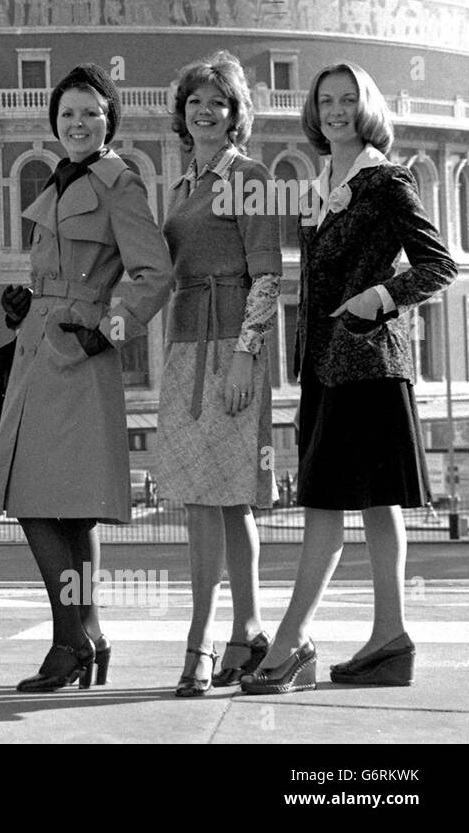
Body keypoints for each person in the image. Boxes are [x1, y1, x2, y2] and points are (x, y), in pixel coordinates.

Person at [242, 63, 455, 694]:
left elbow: (437, 264)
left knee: (326, 509)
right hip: (327, 369)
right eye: (326, 100)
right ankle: (389, 639)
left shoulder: (385, 180)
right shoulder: (322, 183)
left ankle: (289, 645)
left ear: (366, 108)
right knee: (377, 504)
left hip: (367, 364)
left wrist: (379, 300)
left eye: (347, 100)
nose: (335, 110)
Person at [0, 64, 172, 693]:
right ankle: (87, 634)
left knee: (39, 503)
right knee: (66, 512)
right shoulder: (60, 180)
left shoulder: (119, 182)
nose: (77, 123)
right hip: (40, 346)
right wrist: (24, 303)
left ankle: (70, 642)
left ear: (109, 120)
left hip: (79, 351)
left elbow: (153, 273)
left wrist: (112, 328)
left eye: (90, 113)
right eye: (67, 114)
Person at [154, 52, 280, 697]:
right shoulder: (181, 188)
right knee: (210, 499)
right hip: (183, 345)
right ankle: (248, 632)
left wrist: (245, 354)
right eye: (196, 101)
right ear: (183, 112)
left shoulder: (249, 176)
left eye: (219, 103)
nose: (206, 111)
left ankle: (202, 639)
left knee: (225, 496)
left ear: (236, 115)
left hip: (233, 345)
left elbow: (268, 275)